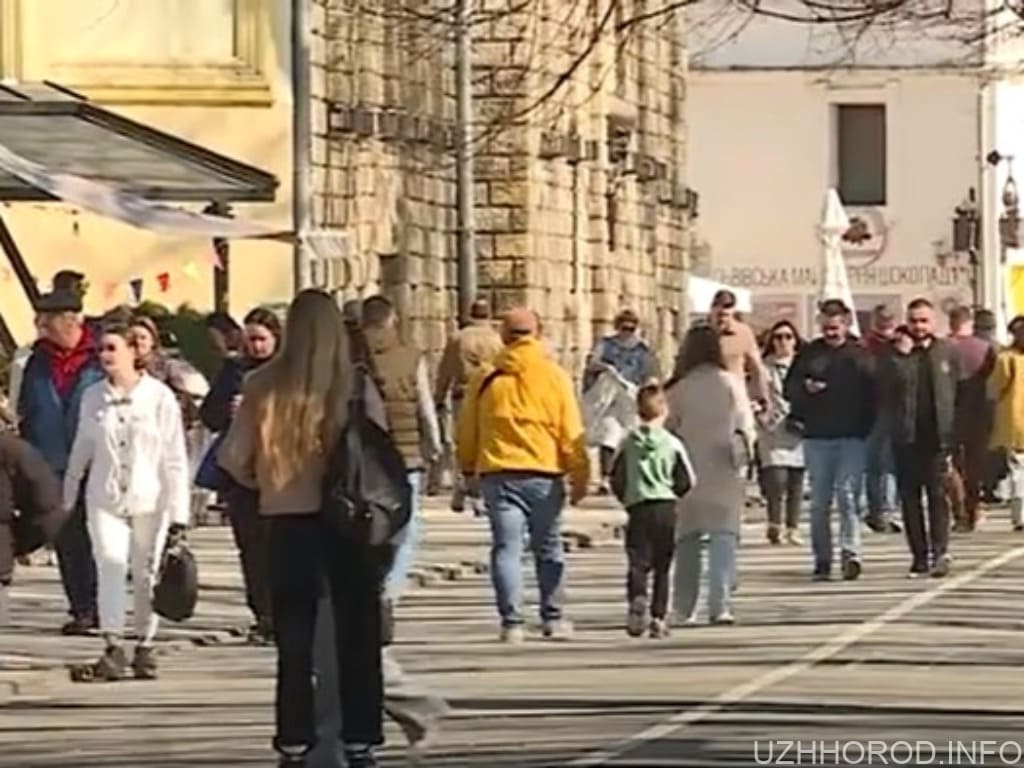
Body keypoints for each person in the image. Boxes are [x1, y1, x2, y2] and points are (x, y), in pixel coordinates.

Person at [218, 289, 383, 768]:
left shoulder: (262, 384)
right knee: (357, 632)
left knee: (293, 639)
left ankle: (294, 739)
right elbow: (377, 455)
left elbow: (233, 457)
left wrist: (264, 480)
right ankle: (360, 738)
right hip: (346, 521)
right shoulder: (351, 386)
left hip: (286, 519)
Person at [62, 323, 190, 681]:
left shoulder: (159, 397)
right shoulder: (92, 397)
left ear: (134, 351)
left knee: (147, 572)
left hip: (152, 499)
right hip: (104, 498)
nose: (104, 356)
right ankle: (113, 645)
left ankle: (145, 646)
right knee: (110, 565)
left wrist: (179, 512)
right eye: (100, 349)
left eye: (111, 348)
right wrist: (67, 496)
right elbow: (81, 449)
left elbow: (174, 457)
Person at [457, 307, 589, 643]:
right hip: (544, 473)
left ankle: (512, 622)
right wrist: (580, 476)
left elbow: (467, 429)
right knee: (548, 547)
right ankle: (553, 617)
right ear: (538, 334)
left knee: (506, 548)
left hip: (498, 472)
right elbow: (570, 429)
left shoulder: (486, 378)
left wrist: (467, 469)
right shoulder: (554, 376)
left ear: (503, 336)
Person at [18, 290, 105, 634]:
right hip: (51, 462)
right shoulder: (35, 362)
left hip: (98, 461)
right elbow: (27, 409)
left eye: (45, 320)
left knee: (102, 536)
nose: (39, 326)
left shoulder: (99, 358)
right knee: (69, 538)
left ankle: (107, 603)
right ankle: (83, 608)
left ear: (69, 320)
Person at [199, 307, 281, 644]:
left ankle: (281, 612)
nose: (256, 347)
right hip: (241, 474)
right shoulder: (234, 370)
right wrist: (228, 410)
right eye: (251, 340)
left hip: (279, 473)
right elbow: (209, 415)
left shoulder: (286, 372)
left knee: (279, 546)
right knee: (250, 546)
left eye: (262, 339)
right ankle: (262, 613)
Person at [665, 325, 754, 625]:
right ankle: (721, 605)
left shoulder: (678, 388)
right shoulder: (730, 383)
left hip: (689, 469)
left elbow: (667, 429)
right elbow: (745, 425)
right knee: (723, 537)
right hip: (725, 468)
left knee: (687, 539)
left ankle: (683, 607)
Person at [784, 300, 876, 582]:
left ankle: (851, 553)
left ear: (846, 324)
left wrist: (871, 428)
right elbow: (790, 388)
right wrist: (805, 389)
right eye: (826, 327)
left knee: (848, 497)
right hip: (817, 437)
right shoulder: (810, 354)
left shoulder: (861, 355)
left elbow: (876, 392)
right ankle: (822, 558)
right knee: (820, 501)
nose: (831, 332)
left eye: (835, 327)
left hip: (853, 436)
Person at [359, 295, 442, 603]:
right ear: (393, 319)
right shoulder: (411, 355)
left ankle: (370, 579)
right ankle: (390, 590)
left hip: (365, 454)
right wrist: (434, 446)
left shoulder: (353, 355)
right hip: (406, 454)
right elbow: (424, 405)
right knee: (406, 524)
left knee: (366, 520)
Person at [878, 298, 960, 578]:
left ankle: (941, 552)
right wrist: (901, 356)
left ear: (933, 322)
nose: (918, 326)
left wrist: (956, 433)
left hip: (937, 437)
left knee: (937, 496)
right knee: (910, 499)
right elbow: (886, 388)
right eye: (913, 320)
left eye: (924, 320)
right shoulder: (894, 354)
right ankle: (919, 556)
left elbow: (958, 392)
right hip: (905, 436)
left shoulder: (946, 351)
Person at [610, 383, 695, 638]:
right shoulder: (672, 443)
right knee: (662, 566)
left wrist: (625, 497)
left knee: (637, 562)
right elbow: (687, 479)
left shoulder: (628, 442)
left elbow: (616, 475)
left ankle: (637, 599)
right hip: (665, 506)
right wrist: (675, 494)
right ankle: (658, 617)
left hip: (638, 506)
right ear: (664, 410)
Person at [433, 298, 503, 512]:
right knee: (487, 443)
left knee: (463, 443)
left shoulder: (458, 338)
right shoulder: (498, 339)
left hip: (463, 395)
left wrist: (439, 395)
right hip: (492, 396)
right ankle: (481, 490)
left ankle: (462, 485)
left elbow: (445, 369)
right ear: (489, 314)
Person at [584, 308, 660, 494]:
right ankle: (606, 478)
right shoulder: (606, 344)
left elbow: (652, 373)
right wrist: (605, 368)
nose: (627, 333)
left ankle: (631, 475)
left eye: (631, 329)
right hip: (608, 396)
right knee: (608, 435)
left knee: (631, 436)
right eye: (623, 328)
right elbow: (592, 363)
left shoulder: (643, 350)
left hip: (632, 397)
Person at [0, 429, 66, 627]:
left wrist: (17, 543)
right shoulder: (13, 449)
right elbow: (48, 506)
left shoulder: (11, 450)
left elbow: (47, 507)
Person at [946, 305, 997, 532]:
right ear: (970, 324)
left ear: (951, 323)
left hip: (949, 412)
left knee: (951, 463)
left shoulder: (944, 347)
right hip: (980, 412)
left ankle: (960, 513)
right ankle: (974, 507)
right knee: (975, 464)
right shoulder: (988, 349)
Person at [757, 320, 805, 546]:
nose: (783, 341)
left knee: (796, 479)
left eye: (788, 336)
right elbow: (754, 392)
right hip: (773, 428)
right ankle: (775, 524)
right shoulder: (763, 367)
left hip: (798, 425)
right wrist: (760, 413)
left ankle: (793, 527)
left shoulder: (804, 365)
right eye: (778, 337)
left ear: (796, 341)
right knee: (777, 479)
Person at [862, 304, 902, 534]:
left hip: (892, 409)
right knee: (873, 464)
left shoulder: (900, 344)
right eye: (882, 319)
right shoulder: (865, 346)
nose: (886, 323)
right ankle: (877, 510)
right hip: (869, 409)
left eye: (889, 319)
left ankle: (885, 511)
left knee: (887, 463)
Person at [988, 315, 1024, 533]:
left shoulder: (1006, 358)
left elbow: (993, 388)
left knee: (1019, 471)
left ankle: (1021, 516)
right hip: (1015, 421)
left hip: (1015, 422)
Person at [708, 290, 769, 408]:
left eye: (726, 315)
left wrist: (762, 398)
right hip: (707, 397)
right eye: (719, 315)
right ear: (712, 310)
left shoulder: (743, 332)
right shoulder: (699, 333)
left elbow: (756, 367)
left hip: (735, 399)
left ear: (733, 313)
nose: (722, 320)